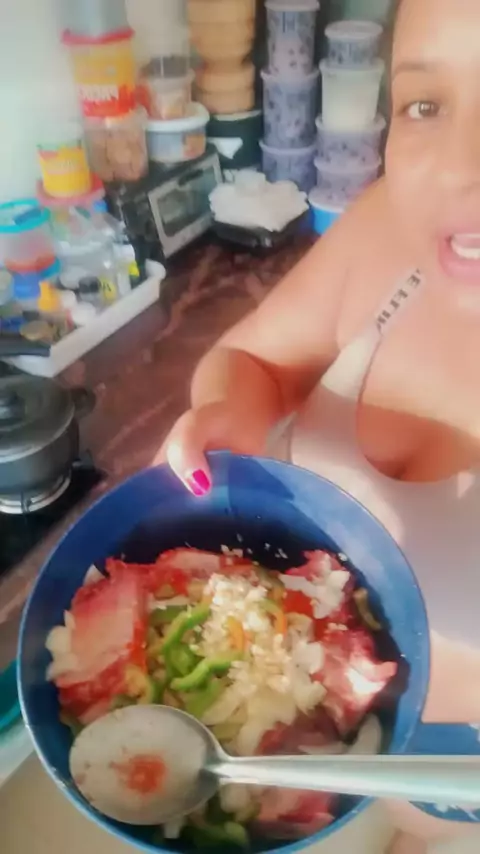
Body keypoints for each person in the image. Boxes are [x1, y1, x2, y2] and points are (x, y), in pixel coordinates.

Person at [160, 0, 480, 851]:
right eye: (426, 104)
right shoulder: (390, 226)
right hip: (291, 740)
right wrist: (232, 411)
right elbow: (254, 358)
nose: (461, 167)